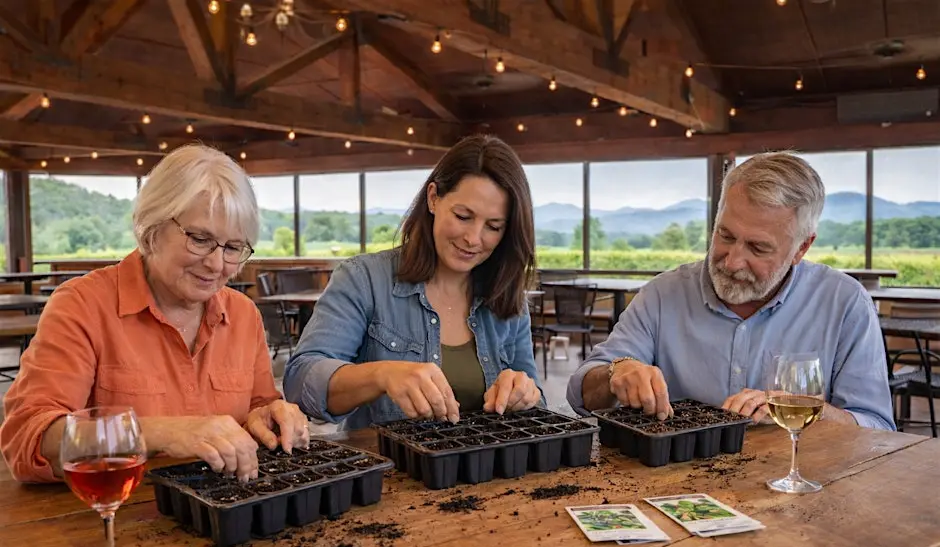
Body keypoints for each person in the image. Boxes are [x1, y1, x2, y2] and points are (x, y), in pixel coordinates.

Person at [1, 144, 310, 483]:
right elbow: (28, 437)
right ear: (151, 228)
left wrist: (270, 416)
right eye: (200, 238)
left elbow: (257, 407)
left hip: (222, 517)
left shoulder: (243, 314)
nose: (216, 263)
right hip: (111, 517)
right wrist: (157, 433)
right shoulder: (83, 305)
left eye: (233, 247)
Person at [567, 151, 895, 431]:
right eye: (725, 235)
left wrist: (804, 410)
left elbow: (876, 425)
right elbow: (581, 394)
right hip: (678, 483)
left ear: (802, 247)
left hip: (800, 487)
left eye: (757, 247)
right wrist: (616, 372)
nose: (733, 261)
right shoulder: (662, 295)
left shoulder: (845, 303)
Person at [284, 134, 543, 429]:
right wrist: (381, 375)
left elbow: (537, 402)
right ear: (433, 198)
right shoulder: (364, 279)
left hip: (491, 473)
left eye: (493, 226)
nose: (473, 238)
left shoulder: (507, 296)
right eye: (462, 216)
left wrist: (526, 394)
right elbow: (300, 381)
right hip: (389, 472)